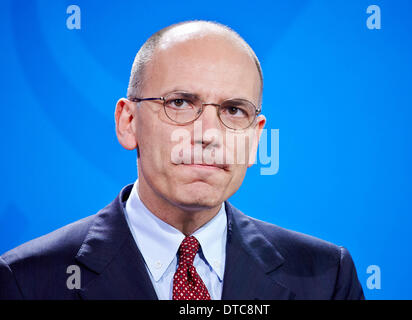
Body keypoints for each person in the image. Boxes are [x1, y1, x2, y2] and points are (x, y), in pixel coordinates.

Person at [0, 20, 364, 300]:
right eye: (180, 103)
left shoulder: (326, 276)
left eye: (234, 109)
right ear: (129, 123)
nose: (208, 134)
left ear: (255, 139)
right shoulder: (25, 279)